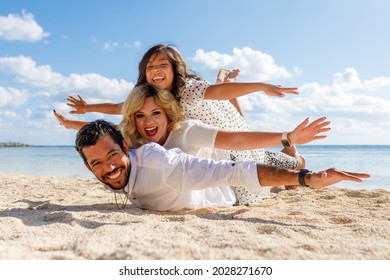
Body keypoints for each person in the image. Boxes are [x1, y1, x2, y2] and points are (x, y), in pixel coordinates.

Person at [56, 44, 303, 204]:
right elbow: (118, 113)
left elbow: (220, 94)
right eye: (150, 67)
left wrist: (260, 86)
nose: (156, 70)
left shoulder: (188, 89)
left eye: (163, 65)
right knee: (247, 159)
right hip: (212, 138)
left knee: (251, 192)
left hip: (226, 132)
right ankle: (288, 156)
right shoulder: (147, 97)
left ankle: (296, 160)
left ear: (175, 69)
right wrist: (86, 110)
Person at [75, 119, 370, 212]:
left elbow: (233, 172)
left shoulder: (161, 165)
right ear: (89, 167)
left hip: (237, 187)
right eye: (98, 163)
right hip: (228, 169)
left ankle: (296, 156)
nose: (109, 168)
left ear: (126, 147)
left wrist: (307, 178)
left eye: (113, 156)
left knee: (286, 169)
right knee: (281, 174)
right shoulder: (114, 167)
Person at [119, 84, 330, 199]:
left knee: (271, 167)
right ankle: (289, 158)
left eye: (155, 113)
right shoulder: (135, 139)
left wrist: (287, 136)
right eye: (139, 115)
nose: (148, 122)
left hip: (233, 160)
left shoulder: (187, 131)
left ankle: (296, 160)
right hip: (222, 174)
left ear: (167, 114)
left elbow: (237, 140)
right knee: (271, 174)